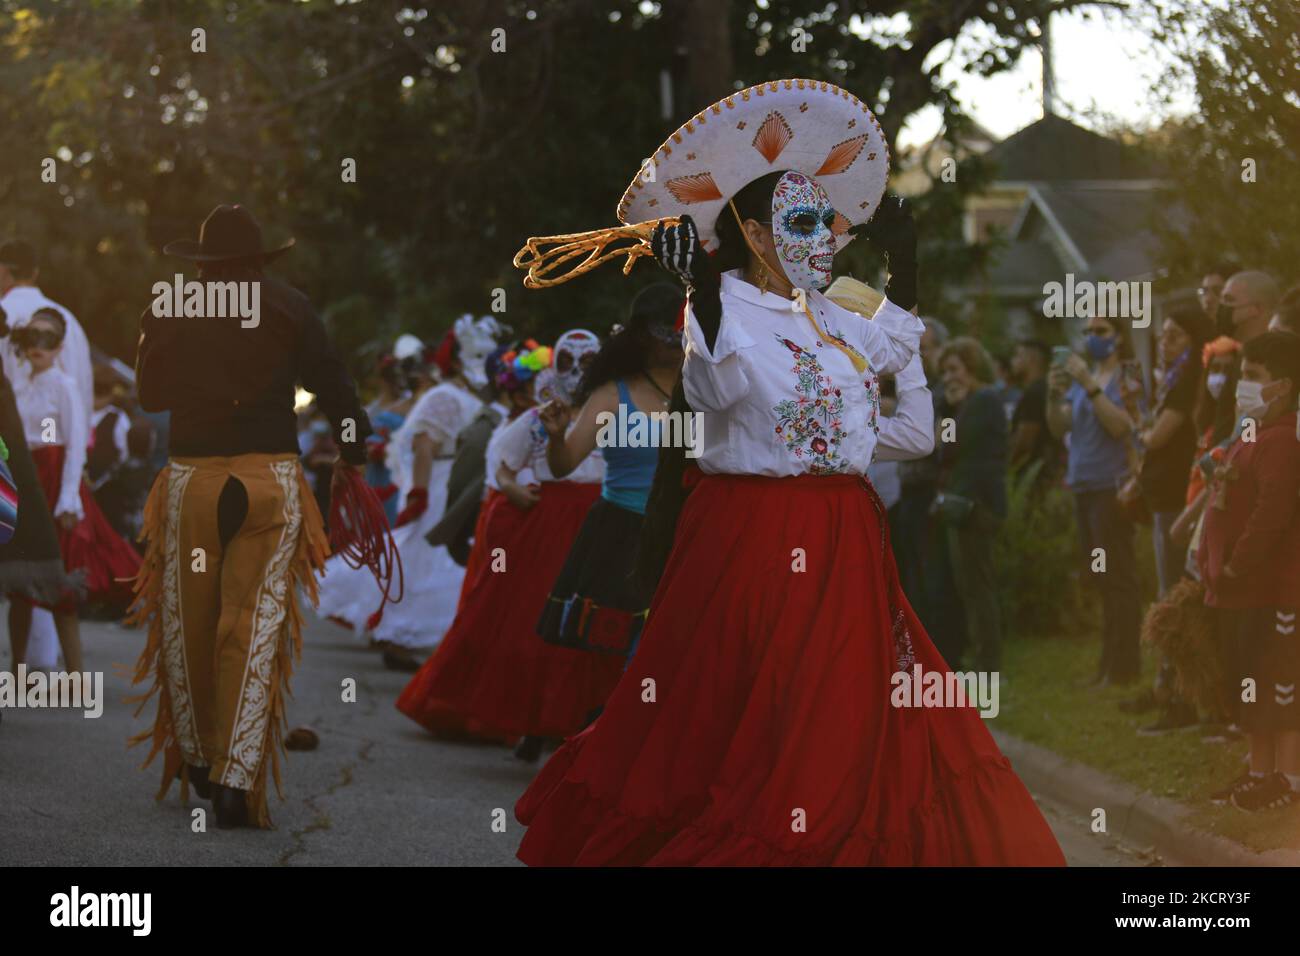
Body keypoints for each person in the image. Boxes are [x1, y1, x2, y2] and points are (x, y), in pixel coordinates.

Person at [513, 80, 1064, 865]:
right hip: (753, 536)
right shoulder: (724, 314)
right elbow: (720, 396)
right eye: (801, 224)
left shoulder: (835, 314)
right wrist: (700, 297)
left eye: (831, 225)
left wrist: (898, 274)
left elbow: (895, 399)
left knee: (840, 708)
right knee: (743, 711)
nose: (825, 241)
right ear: (755, 234)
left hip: (844, 537)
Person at [129, 204, 371, 828]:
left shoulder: (172, 303)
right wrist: (355, 450)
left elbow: (150, 395)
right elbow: (336, 384)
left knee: (190, 622)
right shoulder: (291, 304)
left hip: (194, 481)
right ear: (260, 260)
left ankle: (198, 759)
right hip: (270, 480)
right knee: (252, 625)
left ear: (203, 262)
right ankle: (236, 779)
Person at [396, 358, 625, 758]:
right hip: (547, 524)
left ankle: (564, 721)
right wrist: (511, 489)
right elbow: (501, 464)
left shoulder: (619, 416)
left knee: (585, 622)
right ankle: (526, 720)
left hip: (598, 523)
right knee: (530, 617)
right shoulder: (539, 419)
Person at [534, 284, 683, 664]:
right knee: (608, 652)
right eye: (668, 333)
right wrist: (555, 438)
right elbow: (563, 464)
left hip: (684, 536)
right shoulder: (612, 396)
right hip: (621, 536)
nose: (677, 342)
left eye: (685, 330)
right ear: (641, 337)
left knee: (672, 649)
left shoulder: (705, 390)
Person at [7, 309, 140, 684]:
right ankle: (16, 672)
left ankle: (76, 676)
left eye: (47, 338)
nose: (38, 346)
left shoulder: (62, 386)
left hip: (52, 485)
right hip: (25, 484)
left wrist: (68, 498)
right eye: (32, 337)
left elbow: (70, 444)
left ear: (60, 346)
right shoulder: (19, 385)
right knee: (19, 583)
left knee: (60, 582)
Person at [1201, 332, 1300, 811]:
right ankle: (1259, 772)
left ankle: (1289, 779)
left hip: (1271, 589)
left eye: (1252, 377)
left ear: (1281, 386)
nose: (1243, 385)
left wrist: (1238, 563)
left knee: (1280, 684)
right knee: (1254, 684)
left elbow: (1271, 512)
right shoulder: (1252, 432)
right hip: (1241, 592)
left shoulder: (1282, 440)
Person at [1046, 314, 1144, 686]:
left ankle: (1124, 666)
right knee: (1100, 577)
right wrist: (1054, 395)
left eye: (1101, 331)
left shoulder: (1127, 376)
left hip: (1111, 488)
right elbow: (1060, 427)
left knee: (1118, 576)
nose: (1092, 338)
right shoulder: (1085, 380)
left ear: (1119, 337)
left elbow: (1122, 426)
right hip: (1084, 487)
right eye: (1087, 332)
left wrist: (1088, 384)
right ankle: (1110, 662)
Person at [934, 337, 1008, 673]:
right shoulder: (965, 404)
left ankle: (988, 665)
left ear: (972, 367)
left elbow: (949, 448)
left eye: (954, 370)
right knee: (969, 588)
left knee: (979, 588)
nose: (948, 378)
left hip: (978, 505)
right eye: (944, 372)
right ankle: (980, 660)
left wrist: (950, 412)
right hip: (965, 506)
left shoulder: (984, 400)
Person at [0, 239, 94, 419]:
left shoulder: (5, 313)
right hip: (58, 437)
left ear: (2, 270)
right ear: (35, 273)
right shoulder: (68, 321)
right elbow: (84, 388)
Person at [363, 352, 413, 526]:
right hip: (381, 475)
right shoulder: (370, 411)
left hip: (406, 472)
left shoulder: (411, 405)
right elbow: (360, 447)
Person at [1007, 339, 1059, 483]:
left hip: (1033, 478)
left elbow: (1024, 442)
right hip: (1046, 473)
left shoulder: (1034, 392)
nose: (1013, 361)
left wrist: (1004, 466)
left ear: (1031, 359)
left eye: (1017, 355)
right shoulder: (1046, 388)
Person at [1219, 270, 1278, 343]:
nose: (1221, 305)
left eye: (1229, 299)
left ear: (1256, 309)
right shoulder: (1223, 351)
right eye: (1221, 299)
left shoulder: (1277, 352)